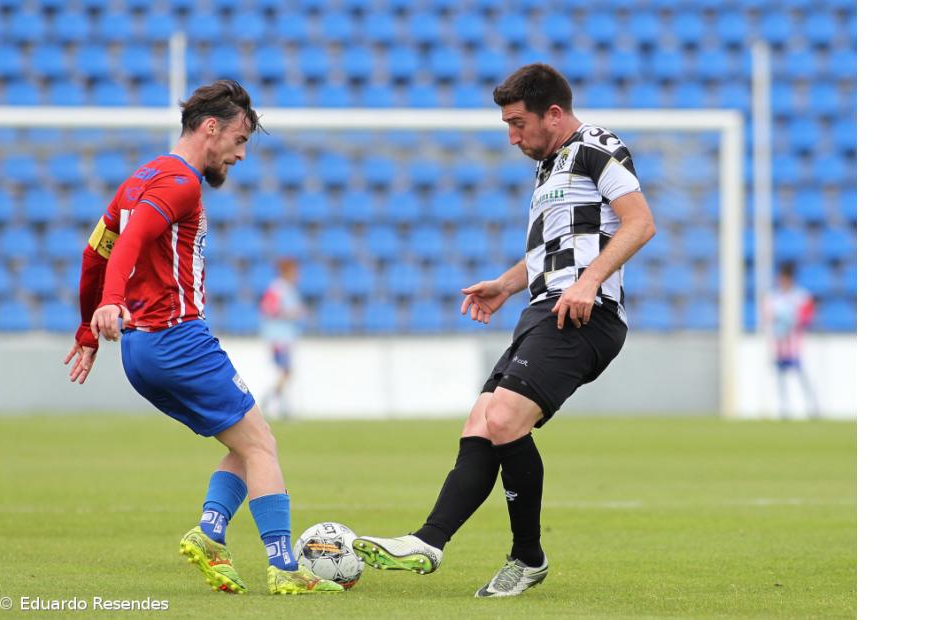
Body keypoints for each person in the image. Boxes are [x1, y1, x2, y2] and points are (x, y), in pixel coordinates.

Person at [352, 64, 656, 597]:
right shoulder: (550, 165)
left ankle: (527, 558)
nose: (513, 136)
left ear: (554, 114)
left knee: (504, 416)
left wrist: (588, 283)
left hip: (586, 313)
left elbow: (640, 222)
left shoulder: (596, 146)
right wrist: (507, 284)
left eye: (518, 123)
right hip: (544, 307)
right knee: (481, 423)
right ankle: (429, 540)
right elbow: (556, 252)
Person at [62, 79, 342, 596]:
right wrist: (108, 302)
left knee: (244, 441)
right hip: (177, 338)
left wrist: (88, 326)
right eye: (238, 140)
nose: (240, 154)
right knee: (262, 446)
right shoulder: (180, 182)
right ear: (210, 127)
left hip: (140, 351)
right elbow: (131, 244)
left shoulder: (138, 179)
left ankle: (212, 534)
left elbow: (94, 253)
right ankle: (284, 570)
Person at [765, 262, 820, 419]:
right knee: (781, 377)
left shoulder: (800, 296)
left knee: (802, 377)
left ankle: (812, 407)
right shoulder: (773, 297)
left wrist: (797, 321)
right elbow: (768, 317)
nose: (782, 281)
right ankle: (784, 408)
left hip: (795, 346)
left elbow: (808, 315)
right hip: (780, 345)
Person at [258, 258, 304, 419]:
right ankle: (271, 399)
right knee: (286, 371)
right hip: (278, 337)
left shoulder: (287, 289)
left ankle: (281, 405)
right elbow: (268, 309)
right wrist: (290, 313)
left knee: (285, 372)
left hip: (286, 337)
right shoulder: (277, 288)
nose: (298, 275)